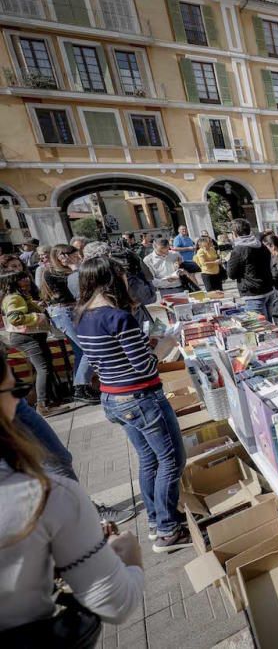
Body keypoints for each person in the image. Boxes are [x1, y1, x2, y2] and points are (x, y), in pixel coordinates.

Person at [0, 349, 144, 635]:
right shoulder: (46, 496)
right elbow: (115, 602)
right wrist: (131, 559)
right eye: (15, 389)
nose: (19, 401)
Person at [75, 257, 190, 552]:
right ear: (113, 279)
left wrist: (144, 345)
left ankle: (157, 521)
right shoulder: (117, 317)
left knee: (149, 459)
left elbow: (108, 359)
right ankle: (167, 529)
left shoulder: (82, 316)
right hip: (140, 397)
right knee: (171, 459)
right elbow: (143, 367)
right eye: (123, 276)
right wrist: (161, 348)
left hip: (114, 397)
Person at [41, 245, 97, 405]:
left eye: (73, 254)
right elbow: (74, 292)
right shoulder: (51, 272)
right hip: (63, 312)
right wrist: (75, 269)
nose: (71, 257)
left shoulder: (69, 270)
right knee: (88, 348)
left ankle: (81, 388)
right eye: (66, 255)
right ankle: (80, 387)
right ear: (58, 257)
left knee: (81, 350)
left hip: (71, 311)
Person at [0, 272, 59, 415]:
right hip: (26, 337)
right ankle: (42, 405)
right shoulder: (14, 297)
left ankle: (45, 401)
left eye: (26, 277)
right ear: (13, 282)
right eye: (21, 278)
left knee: (43, 367)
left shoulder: (18, 296)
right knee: (42, 368)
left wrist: (36, 306)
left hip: (30, 336)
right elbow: (15, 318)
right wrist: (37, 316)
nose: (26, 280)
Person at [227, 219, 277, 318]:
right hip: (267, 289)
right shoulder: (260, 245)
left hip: (253, 293)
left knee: (262, 328)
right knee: (270, 325)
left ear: (234, 233)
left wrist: (229, 260)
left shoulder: (238, 250)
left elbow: (231, 274)